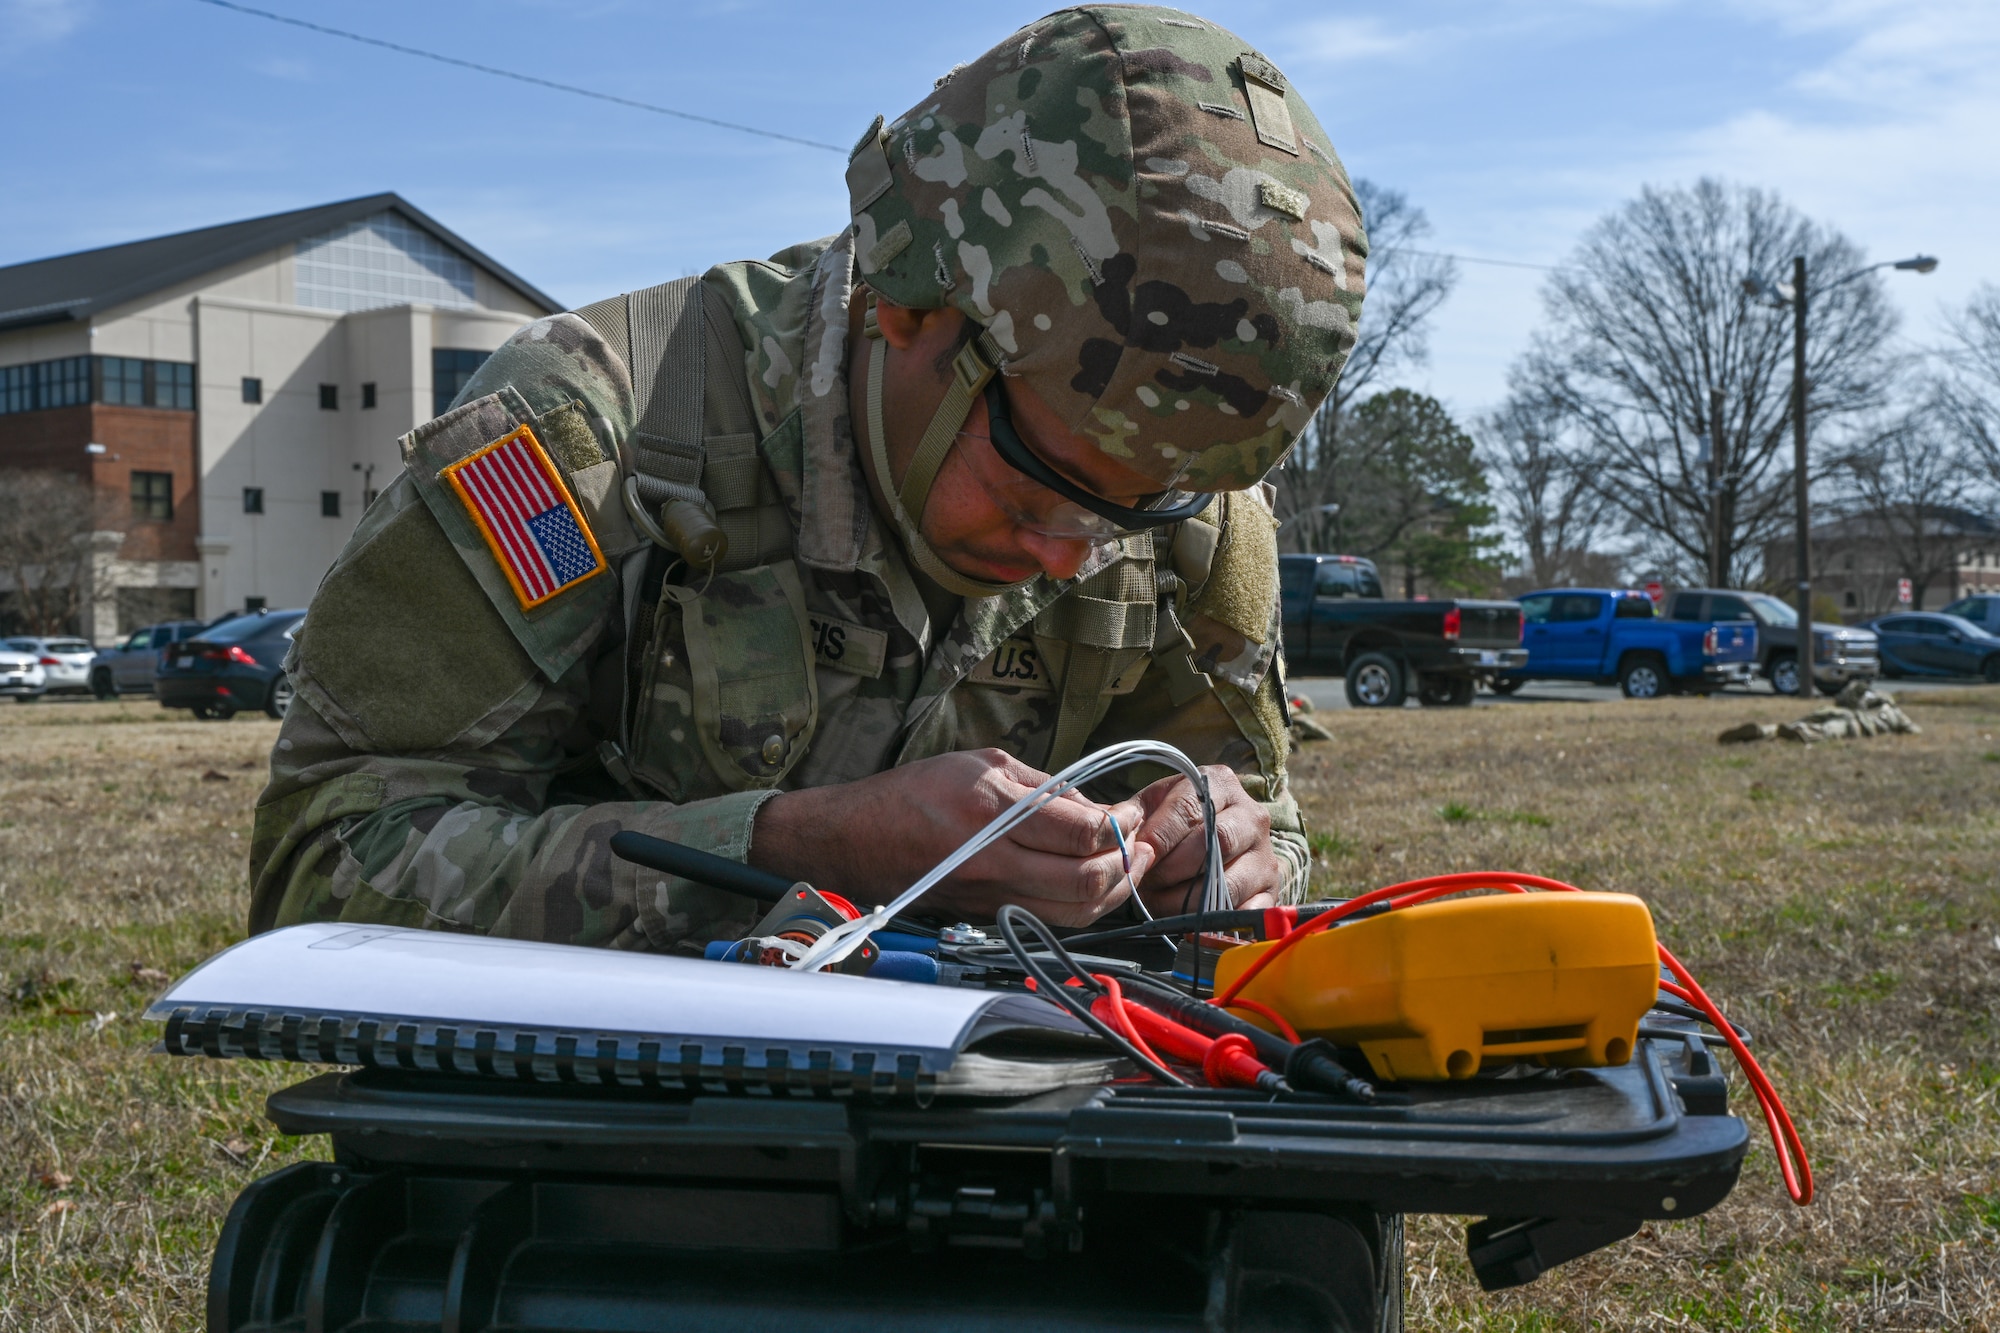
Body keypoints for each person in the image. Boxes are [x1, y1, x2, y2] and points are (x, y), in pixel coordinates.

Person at [247, 5, 1367, 952]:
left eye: (1137, 506)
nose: (1071, 551)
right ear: (906, 302)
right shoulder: (587, 439)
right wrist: (789, 846)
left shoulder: (1185, 508)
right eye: (1037, 484)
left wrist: (1214, 872)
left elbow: (1263, 827)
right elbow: (325, 871)